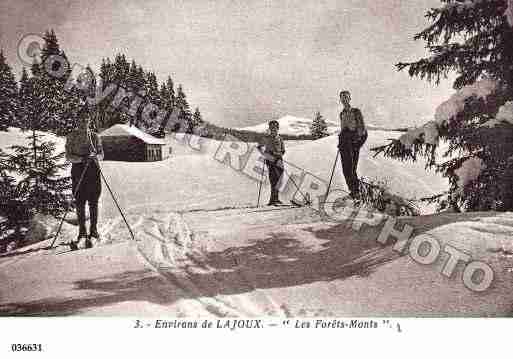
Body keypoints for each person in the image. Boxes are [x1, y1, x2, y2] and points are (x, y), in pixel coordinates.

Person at [65, 107, 104, 250]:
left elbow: (101, 155)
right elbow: (68, 156)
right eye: (81, 119)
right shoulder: (72, 136)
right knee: (80, 201)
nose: (84, 121)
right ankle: (82, 232)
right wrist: (81, 159)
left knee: (93, 201)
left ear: (89, 120)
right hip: (78, 170)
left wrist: (94, 156)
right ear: (77, 120)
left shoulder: (95, 136)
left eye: (86, 119)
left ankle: (93, 231)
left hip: (93, 171)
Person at [338, 90, 367, 200]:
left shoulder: (356, 112)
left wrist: (357, 144)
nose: (344, 99)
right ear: (340, 100)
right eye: (342, 97)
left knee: (351, 169)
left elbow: (362, 129)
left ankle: (357, 192)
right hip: (344, 144)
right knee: (345, 169)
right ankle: (353, 191)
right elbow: (343, 129)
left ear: (350, 99)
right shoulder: (342, 114)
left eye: (346, 97)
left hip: (353, 142)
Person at [258, 120, 286, 205]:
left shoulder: (280, 138)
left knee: (280, 180)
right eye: (272, 128)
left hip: (279, 160)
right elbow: (259, 147)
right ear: (270, 128)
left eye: (275, 128)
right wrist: (265, 154)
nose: (274, 129)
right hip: (270, 160)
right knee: (273, 179)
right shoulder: (266, 138)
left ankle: (276, 199)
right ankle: (272, 200)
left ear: (278, 128)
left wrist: (278, 154)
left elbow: (283, 150)